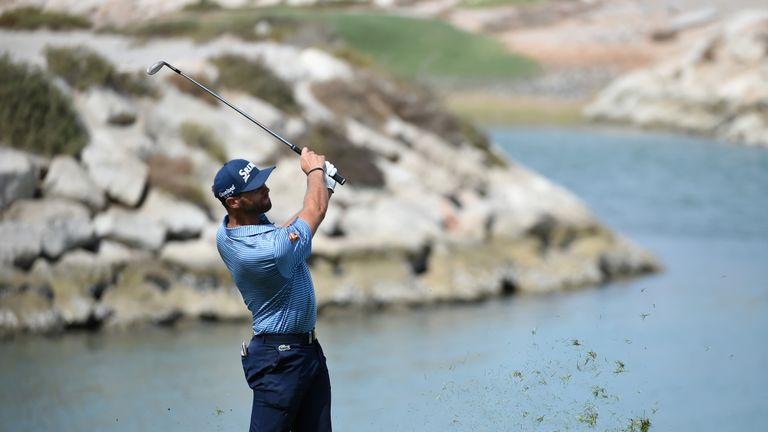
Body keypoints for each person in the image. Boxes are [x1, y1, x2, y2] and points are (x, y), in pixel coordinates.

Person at [213, 147, 337, 432]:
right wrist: (315, 173)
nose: (265, 188)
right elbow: (313, 212)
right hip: (280, 359)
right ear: (233, 201)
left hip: (306, 353)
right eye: (255, 189)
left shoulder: (230, 232)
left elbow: (290, 229)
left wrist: (325, 189)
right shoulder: (267, 251)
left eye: (262, 181)